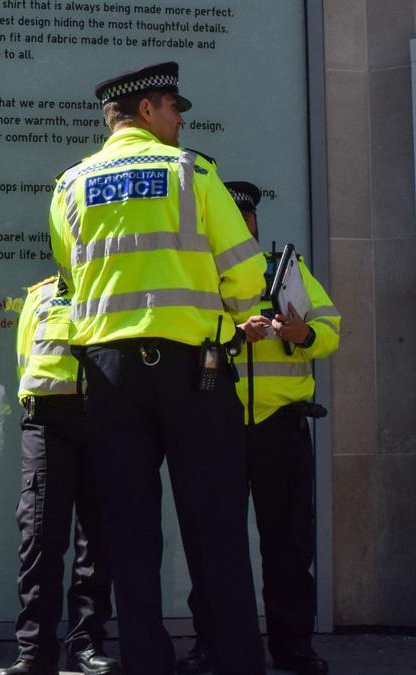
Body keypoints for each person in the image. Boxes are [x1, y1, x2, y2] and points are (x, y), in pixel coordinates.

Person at [49, 62, 268, 675]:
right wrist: (235, 315)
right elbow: (246, 273)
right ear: (146, 110)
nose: (179, 120)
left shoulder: (70, 184)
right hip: (194, 372)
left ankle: (147, 660)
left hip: (110, 375)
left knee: (129, 528)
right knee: (216, 522)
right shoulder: (192, 171)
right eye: (174, 108)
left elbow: (70, 277)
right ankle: (234, 661)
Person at [176, 182, 340, 675]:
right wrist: (232, 336)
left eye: (246, 219)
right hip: (216, 426)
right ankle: (211, 644)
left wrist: (303, 333)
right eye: (232, 219)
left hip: (281, 427)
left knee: (289, 545)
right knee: (215, 544)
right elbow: (184, 341)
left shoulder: (287, 271)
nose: (242, 228)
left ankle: (294, 647)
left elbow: (330, 330)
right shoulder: (196, 273)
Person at [1, 276, 119, 675]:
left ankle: (86, 644)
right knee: (39, 536)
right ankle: (34, 651)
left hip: (104, 417)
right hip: (47, 421)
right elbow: (25, 361)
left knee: (97, 539)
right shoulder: (40, 295)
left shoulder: (111, 283)